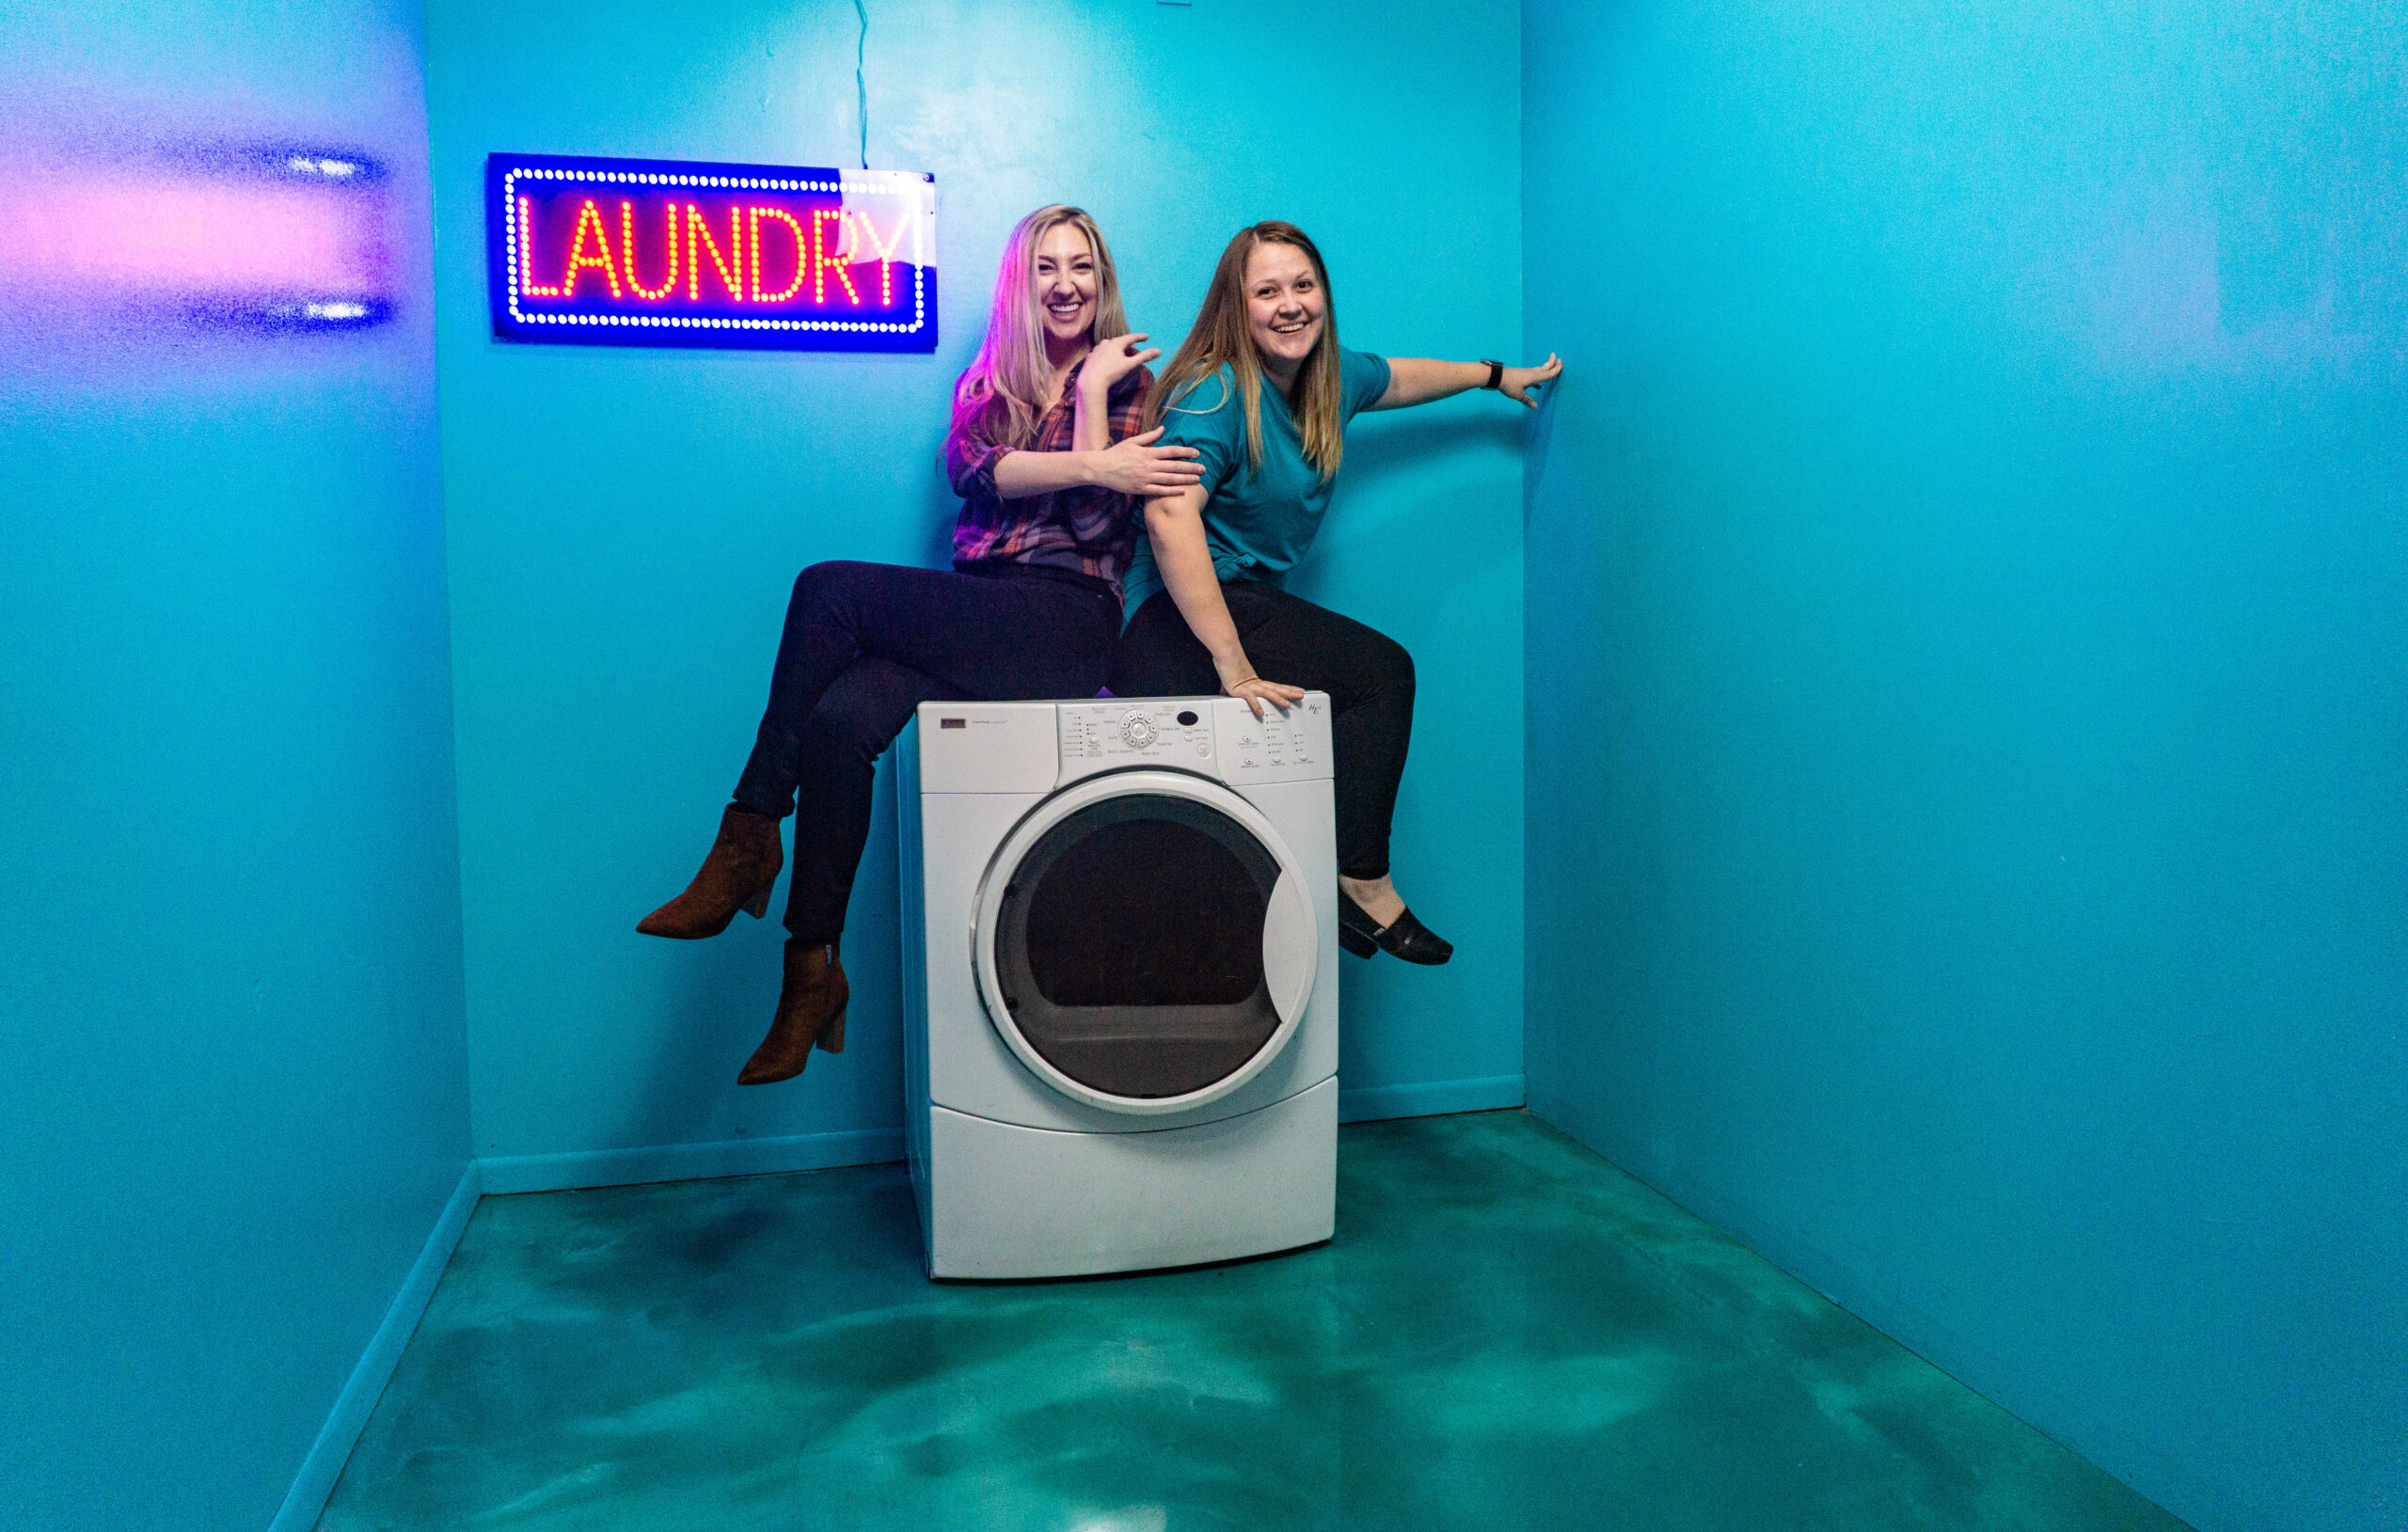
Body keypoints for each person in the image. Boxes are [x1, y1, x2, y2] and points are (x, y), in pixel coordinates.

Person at [639, 205, 1202, 1083]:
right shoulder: (989, 380)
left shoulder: (1128, 380)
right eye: (1047, 267)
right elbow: (976, 471)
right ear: (1022, 284)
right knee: (837, 725)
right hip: (981, 615)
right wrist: (1098, 462)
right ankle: (811, 971)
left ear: (1103, 279)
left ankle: (748, 835)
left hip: (1064, 627)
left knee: (827, 588)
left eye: (1083, 266)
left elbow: (1097, 521)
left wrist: (1091, 397)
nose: (1066, 284)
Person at [1110, 220, 1560, 965]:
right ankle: (1363, 881)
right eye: (1267, 291)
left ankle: (1338, 886)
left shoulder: (1328, 379)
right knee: (1381, 674)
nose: (1289, 305)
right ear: (1237, 306)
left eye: (1303, 286)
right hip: (1165, 626)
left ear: (1323, 295)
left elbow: (1400, 377)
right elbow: (1167, 514)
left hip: (1238, 603)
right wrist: (1233, 666)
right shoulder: (1215, 391)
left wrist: (1491, 375)